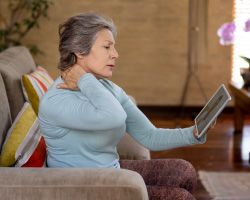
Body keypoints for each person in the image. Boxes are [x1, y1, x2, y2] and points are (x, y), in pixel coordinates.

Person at [38, 13, 207, 200]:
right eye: (107, 47)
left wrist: (193, 133)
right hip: (81, 187)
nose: (115, 54)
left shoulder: (105, 88)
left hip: (110, 174)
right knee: (180, 198)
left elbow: (149, 136)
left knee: (184, 171)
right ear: (79, 50)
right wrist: (85, 79)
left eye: (114, 47)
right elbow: (113, 116)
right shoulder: (56, 101)